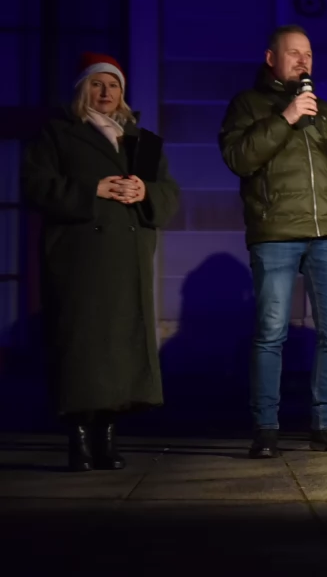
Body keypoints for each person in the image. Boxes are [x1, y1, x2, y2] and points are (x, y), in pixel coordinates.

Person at [218, 25, 327, 458]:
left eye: (308, 54)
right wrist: (286, 117)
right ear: (270, 58)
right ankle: (266, 428)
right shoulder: (248, 105)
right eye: (293, 53)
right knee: (271, 333)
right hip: (275, 232)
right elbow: (239, 157)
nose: (303, 61)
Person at [22, 52, 181, 471]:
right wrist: (93, 188)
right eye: (97, 84)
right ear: (82, 89)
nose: (106, 92)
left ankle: (106, 438)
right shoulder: (59, 133)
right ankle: (78, 440)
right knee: (82, 350)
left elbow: (169, 192)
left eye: (113, 85)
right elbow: (36, 185)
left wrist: (144, 192)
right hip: (80, 260)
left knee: (118, 350)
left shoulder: (139, 139)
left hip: (126, 260)